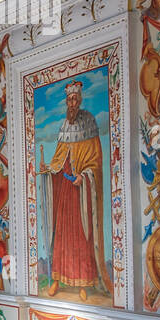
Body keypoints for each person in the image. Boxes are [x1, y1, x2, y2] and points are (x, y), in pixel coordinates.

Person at [37, 80, 111, 302]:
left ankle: (85, 282)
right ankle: (58, 280)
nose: (71, 103)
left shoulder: (89, 122)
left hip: (81, 193)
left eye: (74, 99)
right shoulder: (64, 127)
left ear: (80, 100)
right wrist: (48, 170)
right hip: (64, 193)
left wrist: (85, 175)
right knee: (61, 235)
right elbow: (60, 160)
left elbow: (95, 162)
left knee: (81, 236)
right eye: (68, 99)